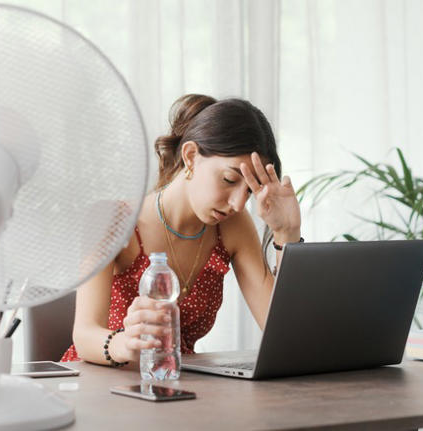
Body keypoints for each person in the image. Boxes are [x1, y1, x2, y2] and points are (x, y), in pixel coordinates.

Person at [61, 94, 302, 367]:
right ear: (190, 156)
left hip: (178, 385)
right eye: (229, 179)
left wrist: (287, 234)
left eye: (248, 190)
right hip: (105, 382)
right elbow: (84, 335)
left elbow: (279, 331)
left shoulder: (232, 225)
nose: (237, 203)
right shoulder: (113, 219)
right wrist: (127, 343)